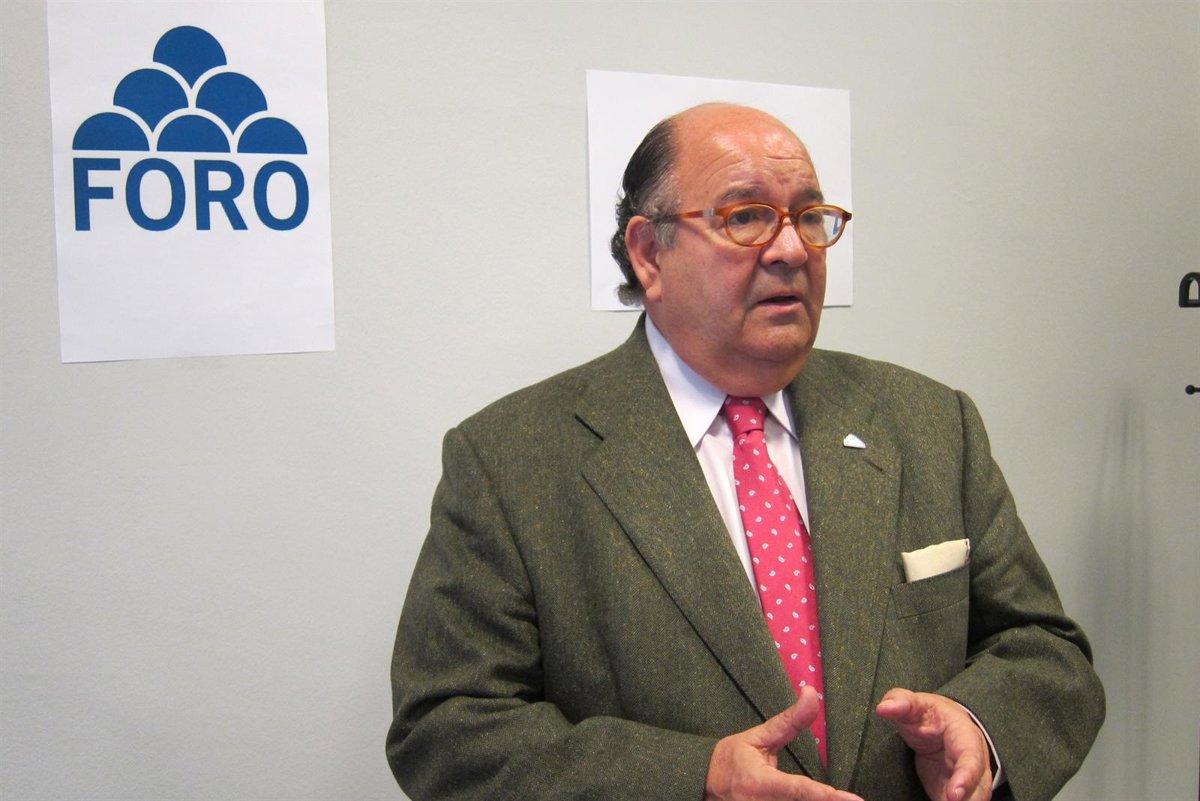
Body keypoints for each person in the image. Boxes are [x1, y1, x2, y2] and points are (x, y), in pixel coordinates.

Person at [386, 103, 1104, 801]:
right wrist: (692, 778)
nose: (792, 249)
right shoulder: (511, 458)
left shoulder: (930, 423)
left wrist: (979, 725)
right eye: (746, 216)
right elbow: (447, 731)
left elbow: (1046, 651)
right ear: (649, 252)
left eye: (809, 217)